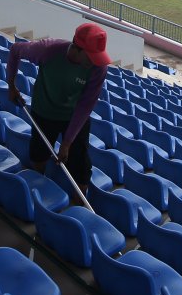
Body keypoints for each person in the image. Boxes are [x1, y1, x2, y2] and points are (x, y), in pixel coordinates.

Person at [7, 23, 110, 202]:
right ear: (77, 48)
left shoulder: (98, 68)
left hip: (75, 118)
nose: (95, 61)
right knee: (39, 156)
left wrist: (67, 142)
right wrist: (11, 85)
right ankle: (36, 194)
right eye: (91, 56)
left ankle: (79, 206)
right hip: (44, 112)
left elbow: (86, 105)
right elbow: (16, 50)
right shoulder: (47, 50)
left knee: (81, 168)